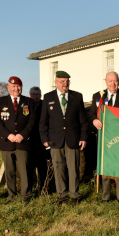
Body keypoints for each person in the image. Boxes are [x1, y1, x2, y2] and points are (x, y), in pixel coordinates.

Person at [39, 71, 88, 205]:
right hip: (55, 140)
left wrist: (83, 137)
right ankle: (62, 195)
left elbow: (83, 120)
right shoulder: (48, 97)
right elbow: (43, 121)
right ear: (56, 82)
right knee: (58, 167)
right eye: (62, 81)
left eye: (67, 81)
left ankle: (75, 195)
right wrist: (44, 138)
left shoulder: (77, 96)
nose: (65, 84)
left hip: (73, 138)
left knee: (73, 168)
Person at [88, 71, 119, 202]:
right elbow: (92, 113)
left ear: (118, 82)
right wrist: (94, 120)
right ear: (106, 82)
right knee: (106, 165)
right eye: (110, 81)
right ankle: (106, 197)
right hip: (104, 136)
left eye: (115, 81)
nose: (113, 84)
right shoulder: (98, 96)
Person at [0, 76, 35, 203]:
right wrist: (8, 135)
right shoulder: (1, 101)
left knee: (24, 171)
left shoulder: (29, 101)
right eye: (14, 86)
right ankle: (11, 196)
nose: (16, 89)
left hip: (23, 142)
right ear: (9, 87)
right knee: (10, 171)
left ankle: (25, 196)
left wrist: (22, 135)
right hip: (7, 142)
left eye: (18, 86)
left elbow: (32, 120)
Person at [28, 86, 51, 193]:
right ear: (29, 95)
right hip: (29, 140)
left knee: (43, 166)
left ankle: (44, 188)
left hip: (42, 140)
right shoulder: (26, 105)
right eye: (33, 94)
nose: (35, 96)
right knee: (29, 166)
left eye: (37, 94)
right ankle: (31, 187)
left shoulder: (44, 106)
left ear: (40, 96)